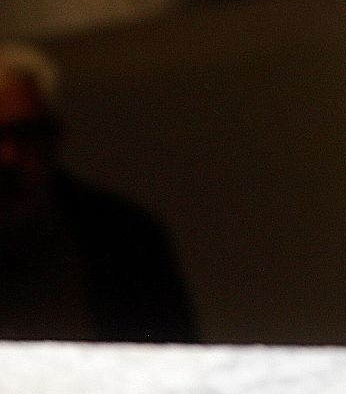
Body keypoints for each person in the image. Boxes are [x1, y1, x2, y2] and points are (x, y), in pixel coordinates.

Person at [0, 43, 198, 342]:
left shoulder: (126, 241)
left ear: (53, 137)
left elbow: (173, 369)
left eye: (25, 134)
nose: (8, 156)